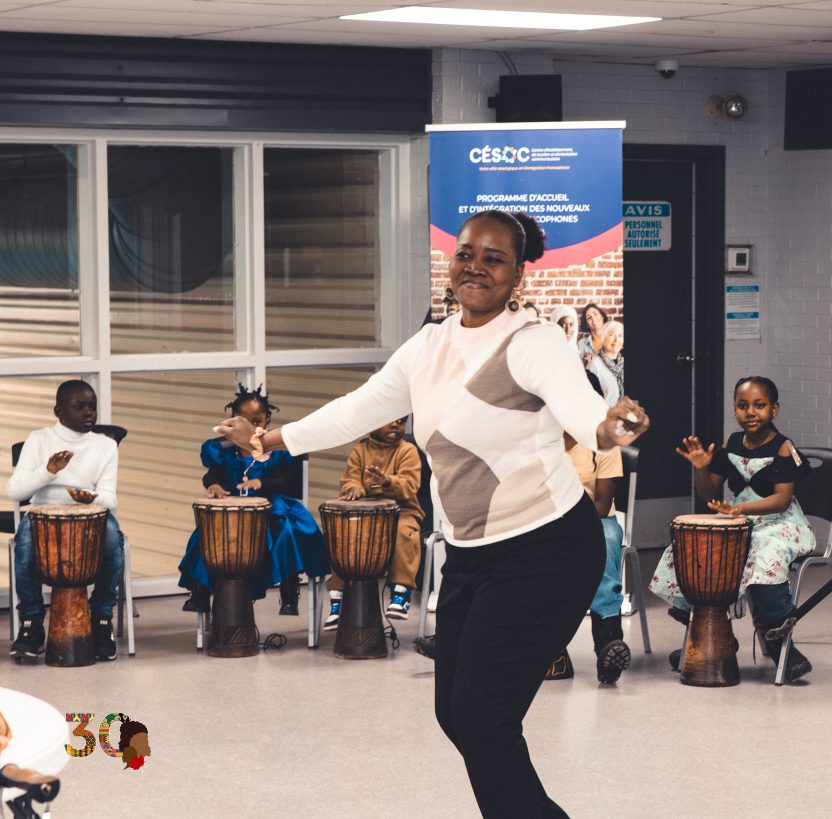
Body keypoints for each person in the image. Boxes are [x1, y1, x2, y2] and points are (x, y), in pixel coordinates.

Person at [215, 209, 649, 818]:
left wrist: (607, 428)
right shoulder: (431, 344)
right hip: (473, 556)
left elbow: (582, 411)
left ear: (519, 272)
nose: (476, 266)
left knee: (482, 717)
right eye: (467, 252)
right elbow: (358, 408)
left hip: (547, 550)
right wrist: (270, 439)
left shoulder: (532, 343)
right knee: (457, 713)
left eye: (494, 257)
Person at [650, 376, 816, 681]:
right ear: (734, 409)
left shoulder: (782, 447)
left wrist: (739, 509)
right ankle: (709, 633)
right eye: (743, 406)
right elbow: (709, 494)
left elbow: (781, 500)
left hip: (779, 524)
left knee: (766, 553)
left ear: (774, 409)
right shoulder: (731, 443)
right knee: (695, 545)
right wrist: (701, 467)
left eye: (759, 405)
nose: (750, 412)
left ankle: (781, 644)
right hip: (739, 519)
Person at [178, 385, 329, 615]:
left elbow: (286, 482)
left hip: (273, 510)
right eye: (245, 422)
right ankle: (200, 592)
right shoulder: (224, 451)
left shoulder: (279, 451)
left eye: (257, 421)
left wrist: (262, 483)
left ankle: (289, 592)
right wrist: (214, 485)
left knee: (288, 532)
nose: (252, 428)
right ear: (233, 423)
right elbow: (212, 474)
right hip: (235, 516)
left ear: (267, 420)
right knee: (204, 537)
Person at [8, 380, 125, 663]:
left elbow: (110, 498)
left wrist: (91, 497)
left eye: (92, 407)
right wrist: (48, 472)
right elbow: (15, 491)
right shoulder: (39, 439)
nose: (88, 413)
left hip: (92, 512)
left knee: (113, 542)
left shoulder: (106, 446)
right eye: (79, 407)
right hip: (43, 512)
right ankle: (31, 624)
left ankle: (101, 620)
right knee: (23, 547)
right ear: (59, 410)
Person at [325, 416, 424, 625]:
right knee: (343, 536)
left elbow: (410, 485)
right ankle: (338, 598)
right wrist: (355, 488)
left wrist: (388, 481)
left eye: (401, 421)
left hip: (402, 510)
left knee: (402, 533)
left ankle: (401, 592)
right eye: (390, 420)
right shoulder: (360, 451)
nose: (396, 425)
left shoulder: (408, 450)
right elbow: (349, 479)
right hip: (366, 514)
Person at [564, 429, 631, 684]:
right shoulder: (540, 440)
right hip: (550, 521)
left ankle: (608, 642)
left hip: (596, 519)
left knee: (604, 540)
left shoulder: (603, 444)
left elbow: (602, 504)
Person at [587, 320, 624, 407]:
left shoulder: (622, 362)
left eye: (620, 336)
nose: (616, 340)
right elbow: (593, 403)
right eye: (611, 335)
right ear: (603, 339)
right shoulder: (594, 366)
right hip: (606, 417)